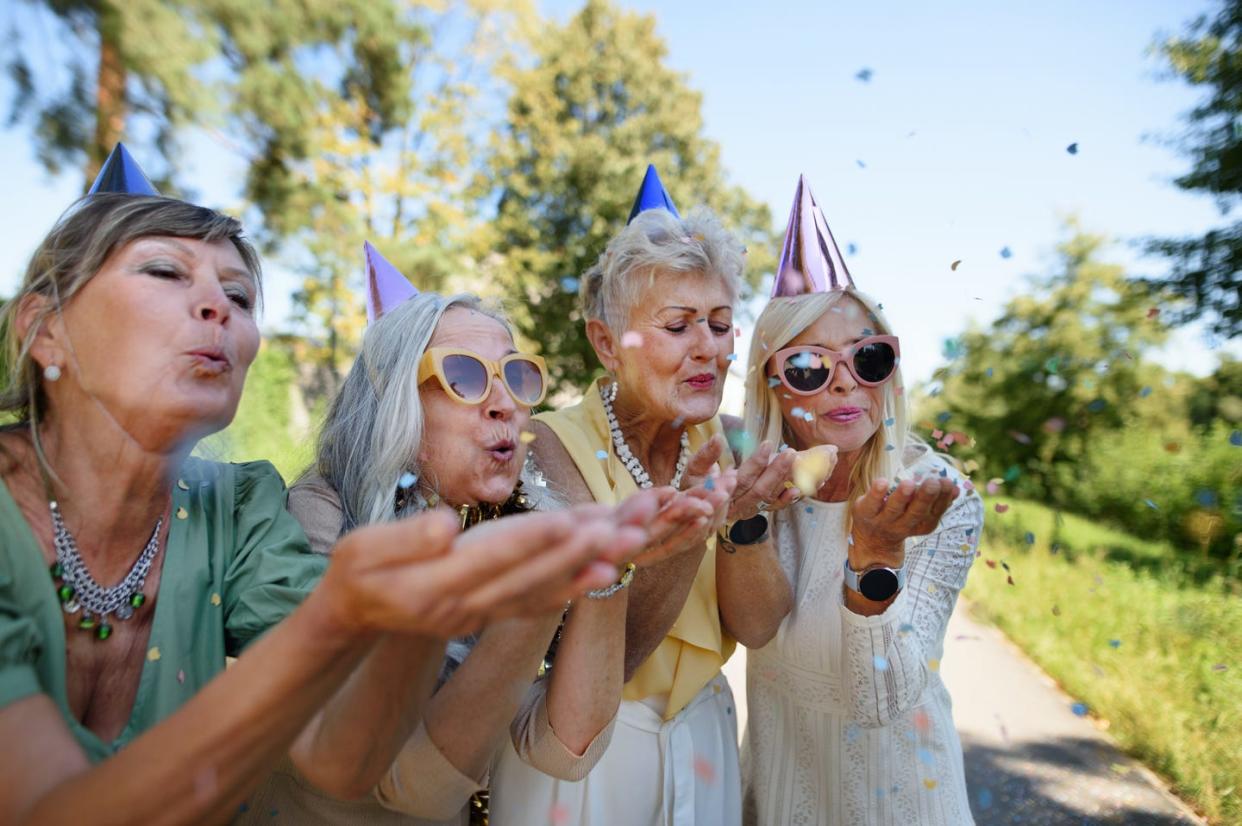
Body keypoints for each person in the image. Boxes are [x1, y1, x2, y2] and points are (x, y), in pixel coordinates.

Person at [0, 145, 649, 825]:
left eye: (240, 294)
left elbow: (340, 755)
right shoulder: (309, 512)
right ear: (44, 330)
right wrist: (353, 613)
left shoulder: (236, 510)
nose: (218, 308)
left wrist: (416, 615)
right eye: (165, 271)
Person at [243, 243, 694, 825]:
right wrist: (544, 585)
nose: (504, 403)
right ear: (394, 402)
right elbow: (413, 786)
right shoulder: (322, 518)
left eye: (515, 374)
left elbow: (565, 748)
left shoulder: (520, 518)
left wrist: (605, 571)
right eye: (463, 376)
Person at [492, 166, 795, 826]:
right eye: (678, 324)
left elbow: (761, 627)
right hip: (581, 763)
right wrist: (691, 530)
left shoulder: (740, 440)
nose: (707, 349)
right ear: (606, 343)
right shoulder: (545, 448)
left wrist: (744, 523)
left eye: (719, 324)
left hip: (704, 739)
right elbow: (609, 658)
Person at [737, 176, 983, 825]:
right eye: (810, 367)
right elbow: (745, 631)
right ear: (771, 386)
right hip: (782, 795)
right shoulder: (756, 493)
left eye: (868, 358)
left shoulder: (938, 498)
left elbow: (883, 700)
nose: (845, 382)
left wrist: (875, 556)